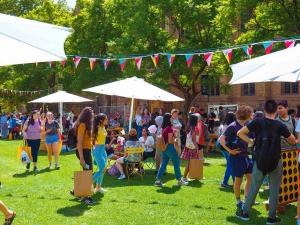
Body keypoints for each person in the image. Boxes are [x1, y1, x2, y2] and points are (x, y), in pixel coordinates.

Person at [236, 100, 296, 224]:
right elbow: (293, 140)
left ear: (264, 110)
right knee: (274, 189)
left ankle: (245, 213)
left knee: (254, 187)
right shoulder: (280, 125)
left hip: (260, 159)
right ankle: (271, 218)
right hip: (276, 160)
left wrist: (251, 142)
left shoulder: (257, 122)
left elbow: (240, 133)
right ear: (275, 111)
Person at [219, 105, 253, 214]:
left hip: (246, 156)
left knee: (250, 178)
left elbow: (252, 138)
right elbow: (221, 139)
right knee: (238, 180)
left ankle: (247, 200)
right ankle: (238, 201)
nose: (251, 116)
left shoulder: (246, 126)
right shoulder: (233, 126)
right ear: (247, 115)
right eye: (250, 114)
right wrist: (230, 150)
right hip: (237, 157)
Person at [154, 113, 188, 187]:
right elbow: (170, 141)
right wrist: (175, 138)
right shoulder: (169, 128)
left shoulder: (164, 128)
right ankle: (179, 180)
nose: (172, 119)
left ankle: (158, 180)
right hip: (170, 148)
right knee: (176, 163)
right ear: (169, 119)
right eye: (171, 118)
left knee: (163, 164)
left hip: (165, 149)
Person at [72, 107, 95, 205]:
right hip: (83, 151)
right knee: (88, 173)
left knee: (86, 172)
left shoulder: (86, 125)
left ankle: (76, 191)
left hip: (86, 150)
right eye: (92, 113)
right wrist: (81, 158)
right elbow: (79, 142)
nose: (93, 115)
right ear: (88, 115)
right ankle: (86, 197)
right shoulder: (82, 125)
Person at [218, 111, 236, 188]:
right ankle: (225, 182)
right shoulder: (231, 126)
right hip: (227, 147)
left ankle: (234, 181)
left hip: (222, 147)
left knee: (230, 164)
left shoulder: (223, 125)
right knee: (230, 165)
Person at [92, 113, 108, 193]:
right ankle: (88, 183)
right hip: (97, 149)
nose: (107, 120)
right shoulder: (96, 128)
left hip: (103, 149)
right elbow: (92, 140)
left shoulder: (103, 127)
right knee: (102, 169)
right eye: (106, 119)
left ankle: (98, 187)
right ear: (101, 120)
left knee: (103, 168)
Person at [181, 114, 200, 182]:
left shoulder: (189, 128)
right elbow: (194, 140)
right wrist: (197, 148)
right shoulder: (193, 129)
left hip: (188, 147)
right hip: (193, 148)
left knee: (190, 163)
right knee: (190, 163)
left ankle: (192, 176)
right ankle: (184, 177)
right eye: (197, 119)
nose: (198, 120)